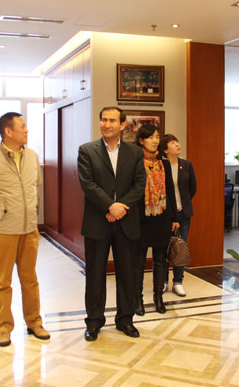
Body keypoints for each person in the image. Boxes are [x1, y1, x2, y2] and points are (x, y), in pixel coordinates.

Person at [0, 112, 49, 347]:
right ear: (8, 131)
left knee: (30, 279)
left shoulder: (32, 157)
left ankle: (34, 322)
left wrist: (31, 212)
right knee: (2, 282)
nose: (27, 130)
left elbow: (35, 188)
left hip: (29, 229)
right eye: (22, 127)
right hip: (2, 231)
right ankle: (4, 327)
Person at [77, 106, 146, 341]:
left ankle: (125, 320)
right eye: (103, 120)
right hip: (97, 221)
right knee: (95, 275)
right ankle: (94, 322)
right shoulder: (87, 150)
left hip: (126, 221)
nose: (107, 124)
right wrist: (110, 206)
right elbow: (88, 184)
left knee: (127, 274)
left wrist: (120, 207)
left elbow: (139, 184)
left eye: (112, 120)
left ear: (122, 125)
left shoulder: (134, 153)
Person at [134, 124, 179, 316]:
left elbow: (170, 191)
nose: (155, 140)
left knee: (160, 261)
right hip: (141, 218)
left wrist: (174, 218)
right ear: (141, 140)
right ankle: (137, 300)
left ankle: (158, 298)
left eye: (157, 137)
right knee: (138, 262)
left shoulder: (164, 164)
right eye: (150, 137)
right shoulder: (135, 162)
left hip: (162, 217)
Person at [159, 134, 197, 297]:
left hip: (183, 213)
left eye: (177, 141)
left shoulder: (186, 165)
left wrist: (183, 204)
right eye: (173, 143)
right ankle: (163, 281)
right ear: (165, 149)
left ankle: (178, 282)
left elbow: (192, 188)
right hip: (165, 215)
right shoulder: (161, 165)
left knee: (180, 247)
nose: (177, 145)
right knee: (163, 248)